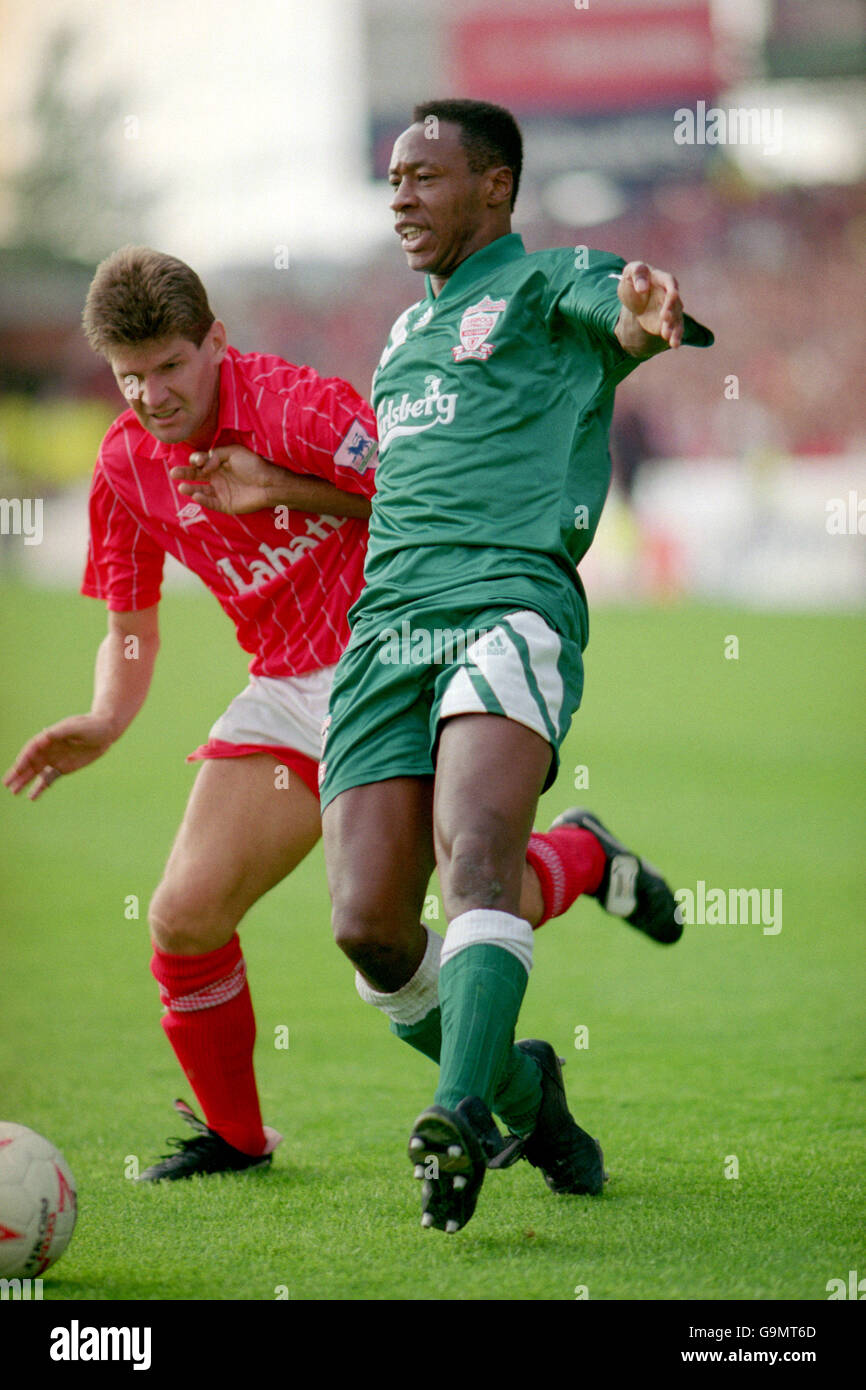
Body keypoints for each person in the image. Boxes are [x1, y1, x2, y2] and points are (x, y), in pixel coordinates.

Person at [3, 246, 671, 1184]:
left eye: (170, 367)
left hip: (400, 658)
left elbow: (421, 497)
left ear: (216, 345)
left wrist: (277, 487)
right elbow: (128, 620)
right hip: (285, 687)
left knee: (472, 895)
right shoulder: (124, 469)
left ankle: (581, 860)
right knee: (184, 916)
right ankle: (240, 1139)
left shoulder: (296, 405)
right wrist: (107, 718)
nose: (152, 395)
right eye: (129, 377)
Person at [317, 99, 713, 1234]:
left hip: (507, 602)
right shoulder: (399, 340)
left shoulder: (549, 284)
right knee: (371, 934)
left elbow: (621, 310)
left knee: (476, 857)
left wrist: (638, 314)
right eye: (392, 178)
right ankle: (523, 1091)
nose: (400, 195)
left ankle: (456, 1116)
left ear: (494, 187)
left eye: (425, 176)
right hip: (385, 631)